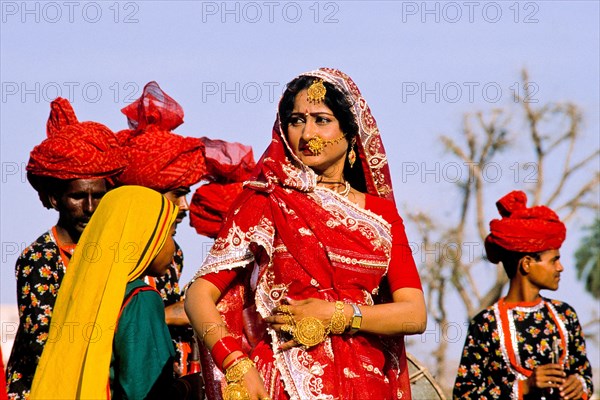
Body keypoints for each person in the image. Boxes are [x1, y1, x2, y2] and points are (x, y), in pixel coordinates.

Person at [185, 68, 427, 400]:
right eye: (297, 120)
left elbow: (413, 314)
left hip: (369, 385)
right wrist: (236, 363)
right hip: (287, 382)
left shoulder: (381, 215)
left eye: (322, 120)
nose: (307, 133)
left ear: (350, 132)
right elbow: (199, 295)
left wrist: (336, 314)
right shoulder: (267, 199)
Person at [116, 81, 255, 377]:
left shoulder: (170, 254)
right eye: (177, 193)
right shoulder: (105, 252)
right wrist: (166, 315)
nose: (185, 206)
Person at [6, 98, 126, 400]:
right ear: (55, 199)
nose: (89, 208)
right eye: (77, 197)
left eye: (98, 197)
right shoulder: (39, 257)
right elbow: (42, 340)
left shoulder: (109, 252)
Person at [29, 185, 178, 399]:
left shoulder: (82, 290)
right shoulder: (141, 299)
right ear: (144, 237)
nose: (174, 247)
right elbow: (145, 388)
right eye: (171, 233)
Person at [453, 190, 594, 399]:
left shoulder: (566, 316)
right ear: (527, 264)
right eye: (553, 260)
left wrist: (579, 384)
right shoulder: (486, 323)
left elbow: (584, 374)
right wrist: (524, 387)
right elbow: (463, 395)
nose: (560, 267)